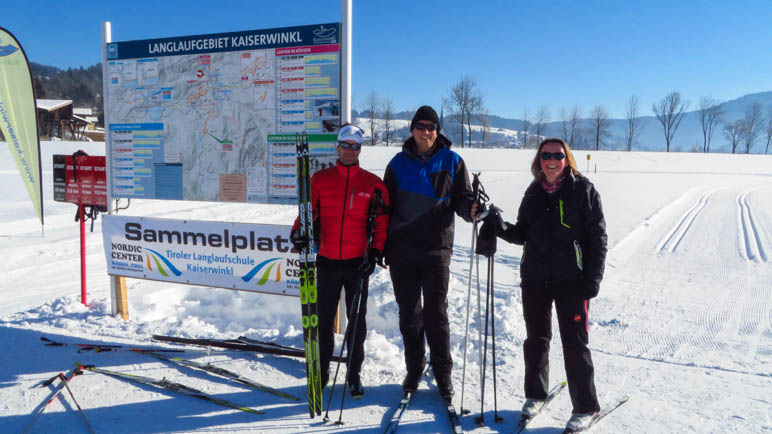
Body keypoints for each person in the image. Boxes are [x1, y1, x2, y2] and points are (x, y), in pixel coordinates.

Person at [480, 137, 607, 432]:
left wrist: (592, 280)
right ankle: (535, 395)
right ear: (538, 160)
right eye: (546, 155)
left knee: (575, 344)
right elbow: (522, 233)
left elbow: (597, 239)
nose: (551, 160)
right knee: (536, 340)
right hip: (535, 279)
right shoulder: (534, 192)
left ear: (567, 159)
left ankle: (586, 406)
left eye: (558, 155)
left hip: (571, 282)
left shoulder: (583, 190)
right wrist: (499, 226)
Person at [383, 105, 477, 403]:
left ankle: (443, 373)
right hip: (402, 253)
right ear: (412, 129)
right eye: (420, 126)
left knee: (436, 316)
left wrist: (471, 210)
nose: (426, 131)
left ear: (438, 131)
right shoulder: (397, 163)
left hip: (436, 252)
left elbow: (462, 200)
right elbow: (385, 209)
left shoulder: (452, 161)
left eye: (431, 127)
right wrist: (380, 246)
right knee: (409, 316)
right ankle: (414, 368)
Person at [289, 124, 390, 398]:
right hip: (327, 261)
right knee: (322, 323)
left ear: (360, 150)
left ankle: (354, 375)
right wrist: (297, 233)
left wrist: (375, 252)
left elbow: (381, 221)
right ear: (337, 147)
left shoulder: (372, 183)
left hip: (358, 263)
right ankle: (320, 374)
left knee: (357, 323)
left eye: (355, 146)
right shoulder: (320, 179)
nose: (349, 150)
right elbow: (306, 213)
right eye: (345, 145)